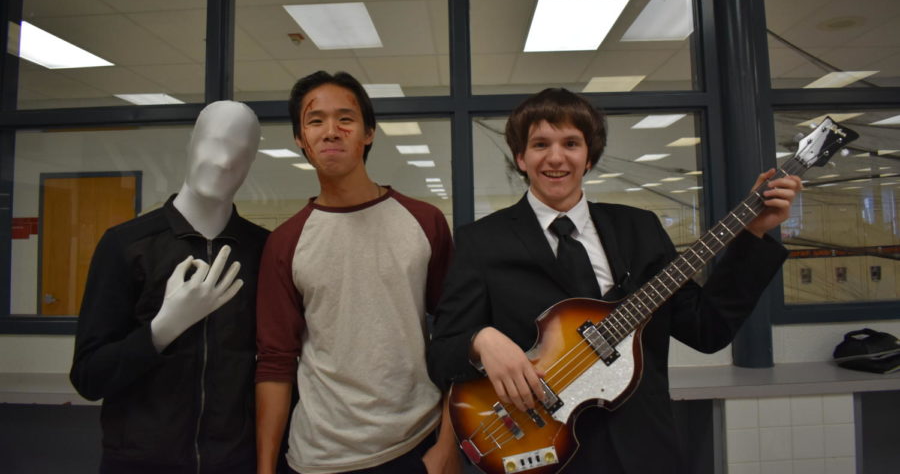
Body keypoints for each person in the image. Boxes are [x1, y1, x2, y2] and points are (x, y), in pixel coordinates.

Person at [426, 88, 802, 473]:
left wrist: (754, 234)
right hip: (538, 452)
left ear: (589, 157)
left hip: (641, 450)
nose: (556, 157)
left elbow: (706, 329)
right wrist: (479, 341)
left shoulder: (639, 229)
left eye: (571, 143)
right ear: (521, 157)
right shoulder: (482, 241)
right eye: (540, 144)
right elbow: (442, 354)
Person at [254, 71, 461, 474]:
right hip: (320, 455)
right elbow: (275, 362)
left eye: (345, 119)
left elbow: (457, 334)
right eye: (315, 121)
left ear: (368, 133)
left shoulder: (425, 221)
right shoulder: (285, 242)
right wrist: (265, 469)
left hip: (418, 443)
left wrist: (448, 447)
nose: (331, 131)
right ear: (300, 139)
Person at [70, 101, 269, 474]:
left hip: (235, 461)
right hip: (142, 461)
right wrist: (163, 328)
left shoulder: (263, 250)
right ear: (191, 143)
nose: (225, 161)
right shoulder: (127, 245)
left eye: (241, 152)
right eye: (215, 143)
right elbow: (89, 376)